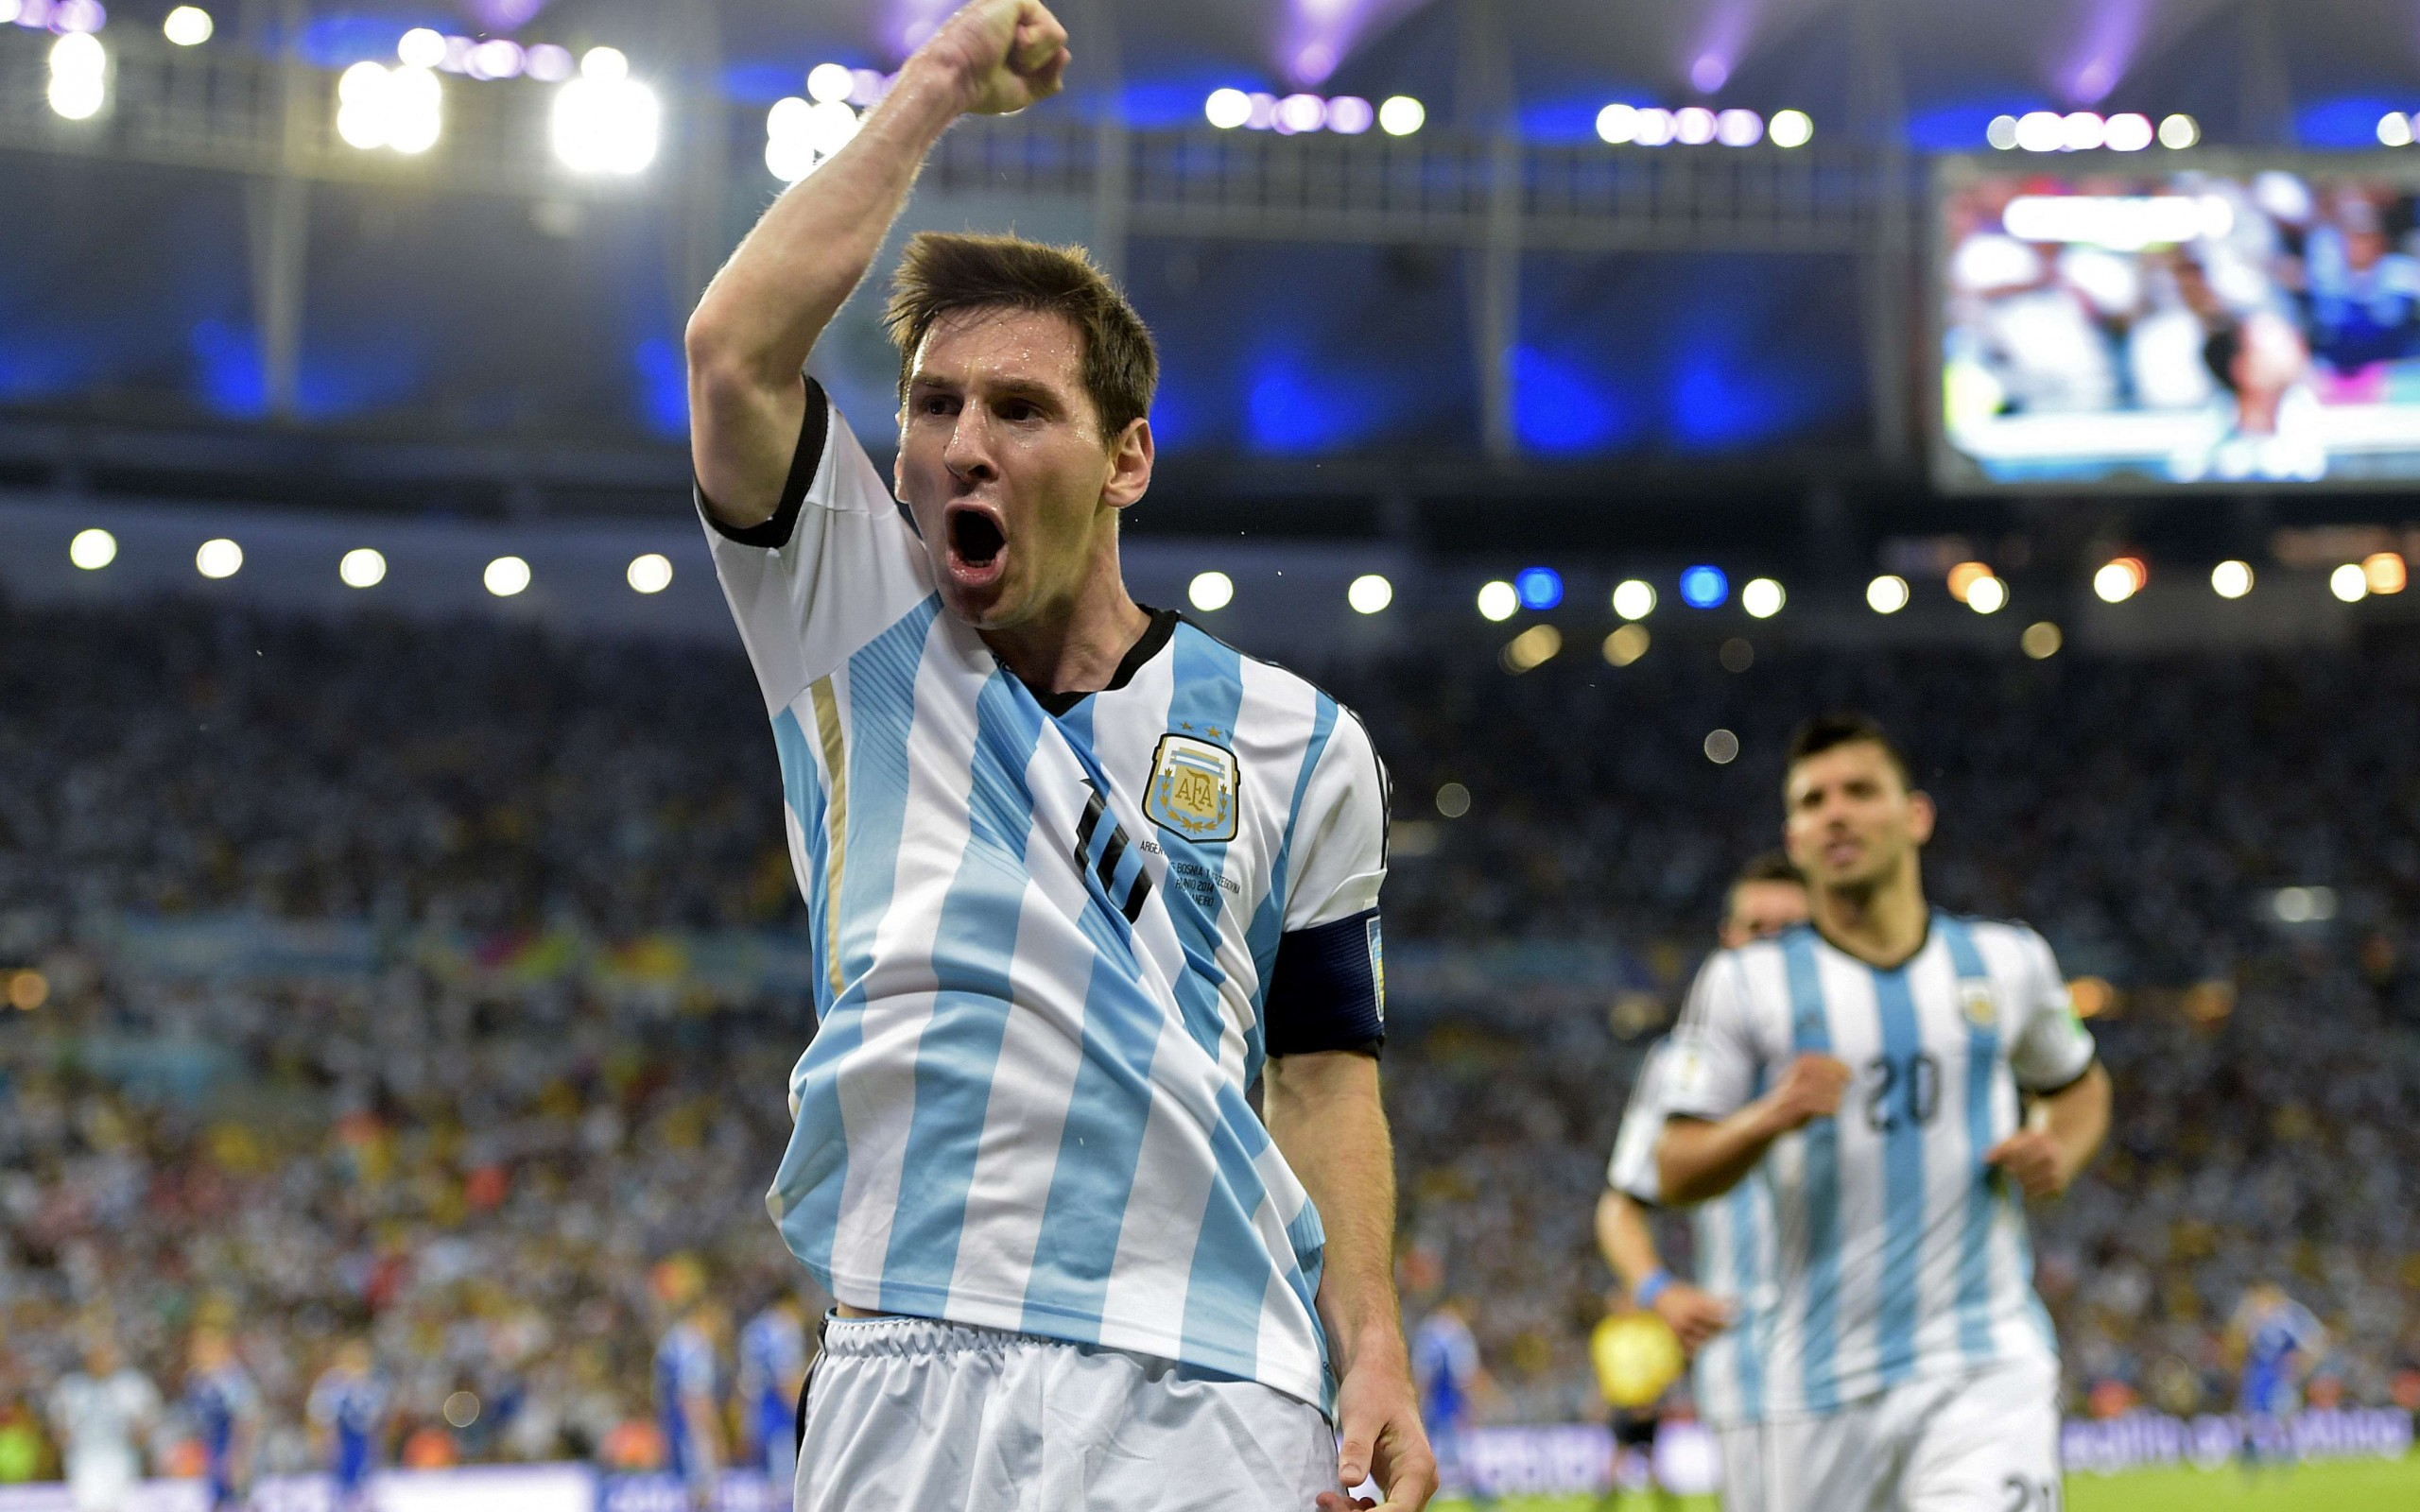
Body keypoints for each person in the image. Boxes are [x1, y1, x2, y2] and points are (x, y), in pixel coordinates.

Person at [683, 0, 1430, 1506]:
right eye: (935, 406)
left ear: (1126, 459)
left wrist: (1375, 1348)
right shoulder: (852, 626)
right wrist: (938, 82)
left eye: (1022, 409)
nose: (965, 443)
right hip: (907, 1362)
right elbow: (733, 353)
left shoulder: (1302, 744)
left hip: (1213, 1383)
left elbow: (1323, 1077)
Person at [1657, 713, 2113, 1512]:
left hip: (1983, 1367)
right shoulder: (1744, 984)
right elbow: (1674, 1167)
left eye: (1860, 791)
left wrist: (2060, 1150)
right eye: (1813, 801)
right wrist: (1768, 1117)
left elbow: (2077, 1083)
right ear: (1795, 839)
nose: (1836, 813)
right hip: (1816, 1389)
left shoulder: (2007, 961)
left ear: (1916, 816)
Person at [1595, 852, 1809, 1510]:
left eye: (1791, 931)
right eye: (1756, 928)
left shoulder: (1871, 1036)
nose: (1770, 946)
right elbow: (1620, 1206)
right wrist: (1657, 1290)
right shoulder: (1679, 1064)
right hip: (1751, 1370)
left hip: (1880, 1358)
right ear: (1728, 940)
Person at [48, 1336, 160, 1512]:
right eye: (95, 1355)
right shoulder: (71, 1387)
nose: (101, 1360)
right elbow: (58, 1429)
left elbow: (149, 1425)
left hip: (122, 1464)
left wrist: (138, 1432)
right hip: (85, 1466)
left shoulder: (132, 1385)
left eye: (106, 1355)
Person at [2229, 1282, 2326, 1473]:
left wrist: (2298, 1368)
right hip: (2258, 1374)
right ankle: (2250, 1456)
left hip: (2279, 1375)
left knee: (2284, 1416)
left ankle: (2286, 1456)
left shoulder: (2288, 1319)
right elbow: (2237, 1342)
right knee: (2248, 1415)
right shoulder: (2253, 1319)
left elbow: (2312, 1343)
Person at [1409, 1301, 1492, 1508]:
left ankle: (1427, 1495)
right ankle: (1475, 1496)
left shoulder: (1428, 1331)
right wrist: (1472, 1403)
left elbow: (1422, 1372)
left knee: (1434, 1452)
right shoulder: (1456, 1334)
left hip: (1433, 1403)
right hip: (1449, 1403)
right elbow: (1463, 1373)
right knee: (1458, 1452)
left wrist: (1417, 1400)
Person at [654, 1300, 725, 1511]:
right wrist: (714, 1433)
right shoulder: (695, 1344)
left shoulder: (672, 1340)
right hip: (691, 1425)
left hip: (672, 1422)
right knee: (701, 1488)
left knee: (685, 1487)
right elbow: (694, 1396)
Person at [306, 1339, 389, 1512]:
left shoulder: (371, 1380)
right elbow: (321, 1413)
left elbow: (376, 1415)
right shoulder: (332, 1382)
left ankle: (361, 1502)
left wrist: (375, 1438)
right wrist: (324, 1438)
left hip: (362, 1437)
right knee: (340, 1478)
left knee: (363, 1477)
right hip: (341, 1435)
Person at [735, 1294, 807, 1487]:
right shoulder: (782, 1328)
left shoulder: (753, 1329)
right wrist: (807, 1419)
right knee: (786, 1491)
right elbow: (787, 1381)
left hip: (756, 1420)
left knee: (766, 1490)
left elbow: (745, 1384)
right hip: (780, 1424)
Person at [183, 1331, 261, 1512]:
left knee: (237, 1499)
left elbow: (248, 1418)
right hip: (211, 1449)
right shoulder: (196, 1379)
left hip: (230, 1447)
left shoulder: (230, 1379)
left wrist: (239, 1456)